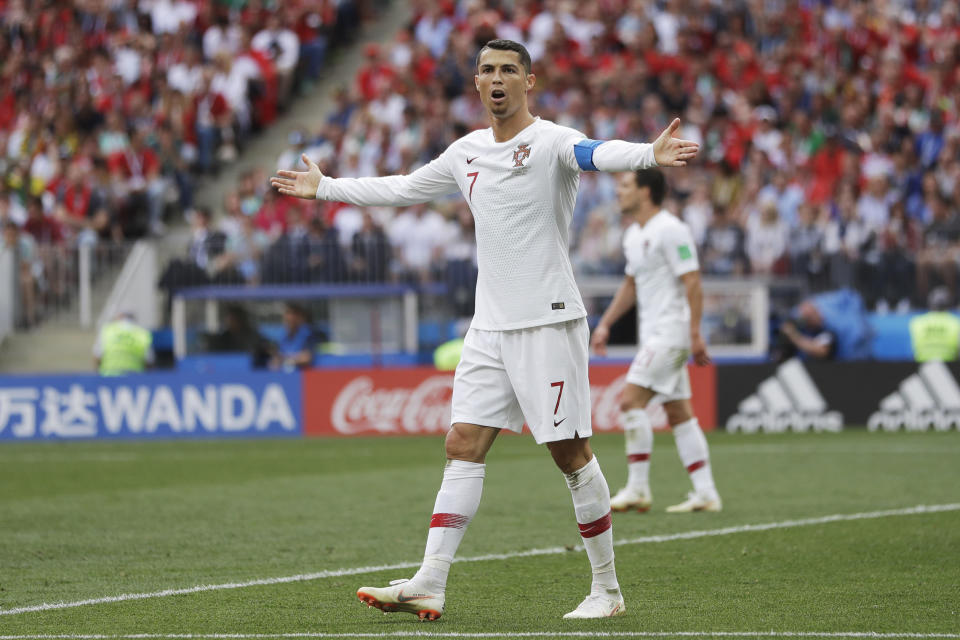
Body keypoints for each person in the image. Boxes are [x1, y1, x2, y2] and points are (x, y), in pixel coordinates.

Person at [271, 39, 698, 621]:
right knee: (461, 445)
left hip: (547, 321)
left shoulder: (551, 142)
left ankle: (607, 591)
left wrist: (648, 155)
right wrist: (325, 188)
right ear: (476, 83)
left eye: (508, 71)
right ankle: (430, 581)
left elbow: (598, 153)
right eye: (487, 70)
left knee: (570, 454)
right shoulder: (466, 150)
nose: (496, 79)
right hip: (489, 327)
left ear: (529, 81)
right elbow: (401, 188)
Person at [590, 169, 721, 515]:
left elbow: (692, 280)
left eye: (625, 186)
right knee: (678, 412)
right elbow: (631, 285)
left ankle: (637, 488)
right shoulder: (633, 235)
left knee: (630, 401)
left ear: (646, 192)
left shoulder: (672, 229)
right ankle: (706, 492)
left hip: (671, 332)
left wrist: (694, 333)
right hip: (655, 333)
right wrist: (605, 324)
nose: (618, 192)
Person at [93, 311, 154, 376]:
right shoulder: (142, 333)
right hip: (134, 379)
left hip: (108, 377)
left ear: (119, 317)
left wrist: (97, 377)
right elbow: (149, 360)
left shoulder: (107, 330)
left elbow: (97, 357)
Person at [910, 287, 960, 362]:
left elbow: (913, 352)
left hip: (922, 364)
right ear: (948, 304)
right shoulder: (956, 322)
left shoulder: (917, 322)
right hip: (950, 366)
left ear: (930, 303)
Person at [267, 302, 317, 371]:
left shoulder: (307, 334)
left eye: (293, 314)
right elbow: (276, 358)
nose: (289, 317)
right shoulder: (281, 335)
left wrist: (287, 360)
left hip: (302, 375)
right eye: (287, 314)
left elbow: (306, 358)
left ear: (300, 318)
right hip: (283, 374)